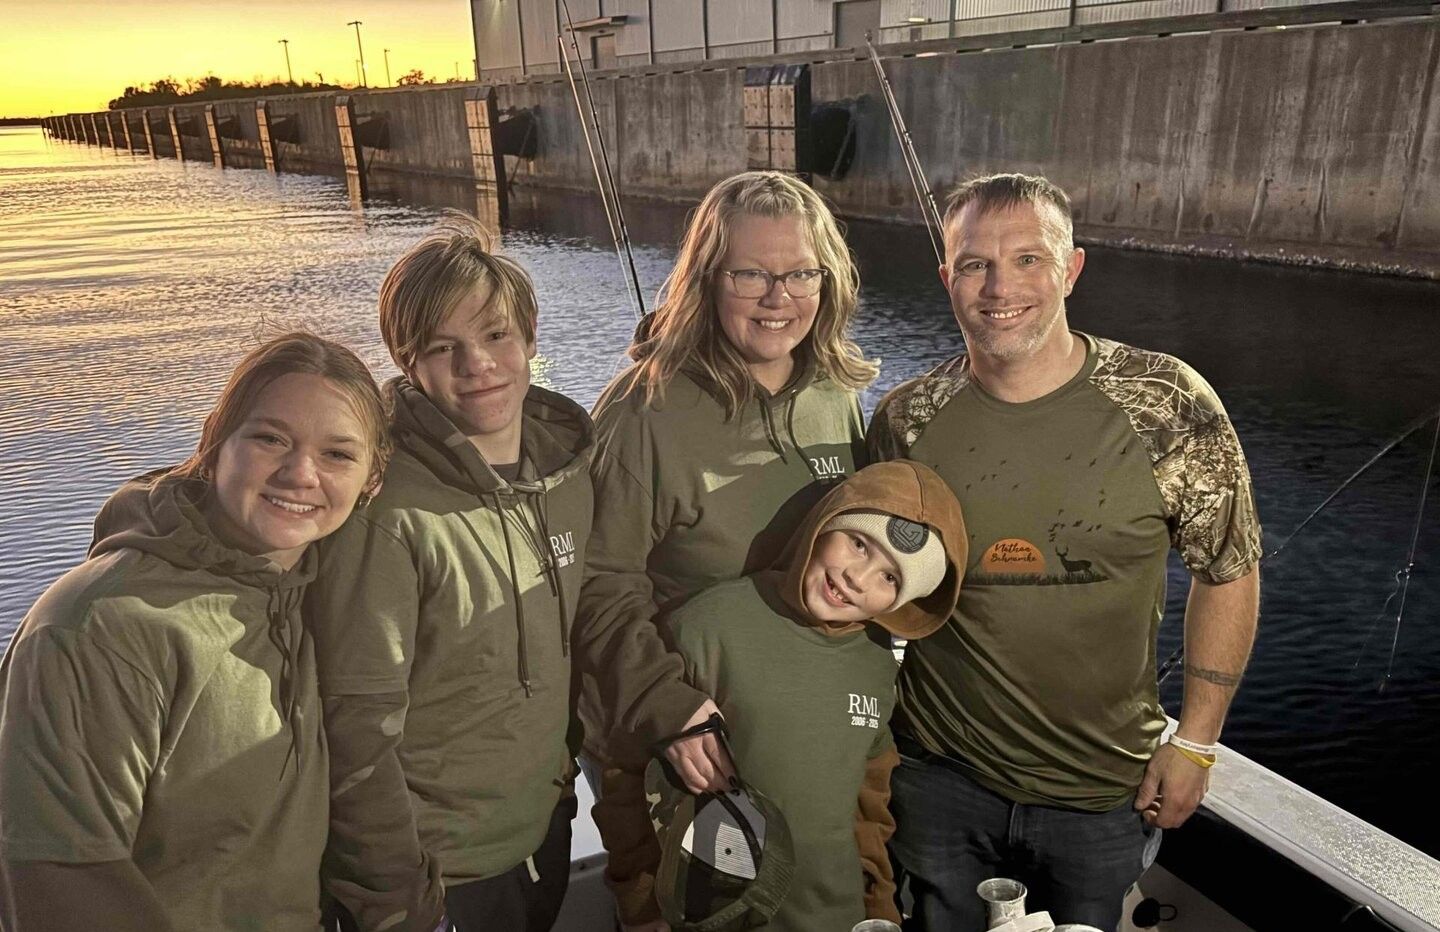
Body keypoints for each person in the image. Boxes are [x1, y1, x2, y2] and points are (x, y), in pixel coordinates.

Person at [868, 172, 1262, 931]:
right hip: (939, 782)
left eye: (1029, 260)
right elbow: (875, 579)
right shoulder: (907, 419)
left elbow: (1229, 568)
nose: (999, 287)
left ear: (1072, 268)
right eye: (975, 264)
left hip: (1102, 795)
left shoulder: (1166, 402)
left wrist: (1199, 745)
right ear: (947, 278)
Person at [0, 332, 389, 932]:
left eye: (337, 454)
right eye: (270, 439)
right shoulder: (99, 629)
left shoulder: (314, 594)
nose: (300, 473)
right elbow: (64, 885)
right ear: (214, 443)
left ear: (371, 480)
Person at [574, 171, 876, 930]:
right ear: (708, 279)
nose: (780, 297)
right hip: (682, 753)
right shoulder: (644, 411)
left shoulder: (835, 394)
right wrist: (666, 708)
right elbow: (597, 584)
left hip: (799, 747)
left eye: (800, 272)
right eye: (750, 273)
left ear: (828, 279)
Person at [308, 215, 594, 932]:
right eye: (444, 348)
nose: (478, 366)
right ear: (409, 361)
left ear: (529, 337)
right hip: (442, 877)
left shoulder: (569, 472)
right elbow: (355, 728)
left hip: (544, 828)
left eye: (496, 335)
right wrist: (397, 898)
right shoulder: (383, 510)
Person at [651, 460, 967, 932]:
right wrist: (638, 903)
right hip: (714, 916)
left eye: (890, 579)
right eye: (859, 543)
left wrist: (878, 906)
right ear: (823, 525)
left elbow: (870, 802)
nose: (859, 577)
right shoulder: (706, 625)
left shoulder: (877, 663)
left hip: (835, 917)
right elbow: (626, 769)